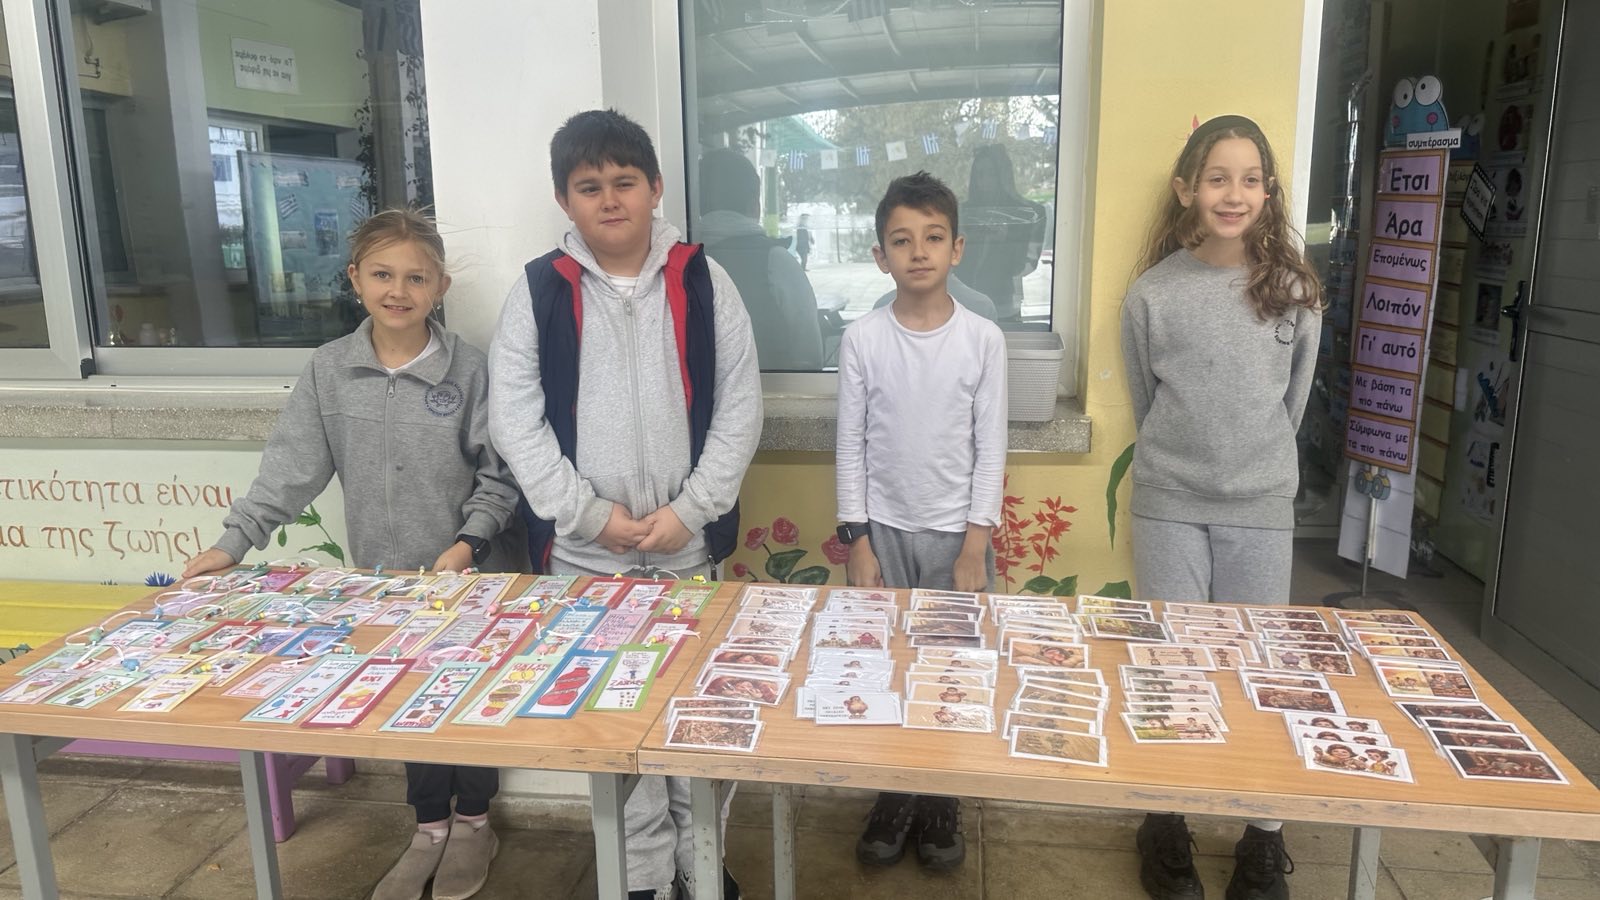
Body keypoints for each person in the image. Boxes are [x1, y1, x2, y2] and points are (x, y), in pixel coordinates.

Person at [181, 208, 528, 900]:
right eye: (382, 275)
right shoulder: (330, 369)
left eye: (416, 278)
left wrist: (468, 543)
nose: (398, 290)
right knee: (406, 705)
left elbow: (501, 475)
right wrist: (231, 543)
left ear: (440, 287)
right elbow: (289, 472)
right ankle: (429, 829)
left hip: (470, 577)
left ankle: (474, 822)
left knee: (463, 698)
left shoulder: (470, 369)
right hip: (385, 582)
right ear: (355, 279)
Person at [487, 109, 760, 900]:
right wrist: (587, 515)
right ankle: (641, 875)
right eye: (589, 186)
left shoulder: (704, 283)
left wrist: (692, 510)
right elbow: (515, 420)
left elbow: (741, 407)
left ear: (655, 188)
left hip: (687, 555)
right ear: (564, 200)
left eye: (624, 182)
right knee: (614, 728)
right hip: (585, 562)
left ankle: (699, 864)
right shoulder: (540, 291)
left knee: (694, 724)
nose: (609, 199)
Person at [1123, 115, 1322, 900]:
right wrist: (1190, 471)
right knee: (1170, 665)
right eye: (1217, 178)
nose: (1233, 193)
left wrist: (1251, 471)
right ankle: (1165, 820)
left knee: (1259, 669)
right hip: (1169, 505)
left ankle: (1262, 834)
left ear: (1268, 193)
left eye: (1249, 179)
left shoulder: (1295, 292)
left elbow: (1292, 405)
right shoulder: (1153, 293)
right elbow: (1146, 402)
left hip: (1260, 508)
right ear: (1187, 190)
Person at [834, 171, 1006, 872]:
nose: (919, 252)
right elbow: (850, 444)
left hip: (955, 539)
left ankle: (941, 796)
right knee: (885, 661)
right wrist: (857, 540)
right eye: (901, 241)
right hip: (883, 535)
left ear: (956, 248)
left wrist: (974, 544)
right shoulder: (862, 339)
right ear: (881, 256)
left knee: (950, 666)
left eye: (933, 237)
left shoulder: (983, 339)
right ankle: (894, 791)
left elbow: (991, 447)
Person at [697, 147, 824, 370]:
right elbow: (810, 356)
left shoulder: (681, 262)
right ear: (754, 205)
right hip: (772, 390)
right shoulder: (776, 261)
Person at [953, 143, 1049, 321]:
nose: (983, 181)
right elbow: (950, 263)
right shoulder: (961, 212)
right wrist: (966, 239)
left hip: (1003, 306)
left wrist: (1006, 240)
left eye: (991, 173)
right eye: (979, 174)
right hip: (961, 305)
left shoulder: (1028, 214)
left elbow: (1025, 266)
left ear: (1003, 175)